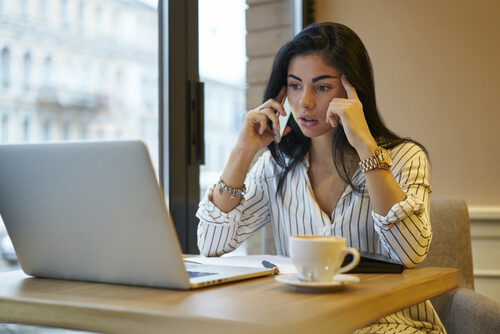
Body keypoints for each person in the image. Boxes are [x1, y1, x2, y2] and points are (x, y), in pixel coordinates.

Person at [196, 22, 444, 334]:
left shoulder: (405, 158)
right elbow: (211, 244)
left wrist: (367, 147)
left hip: (392, 324)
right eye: (295, 86)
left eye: (322, 87)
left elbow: (411, 253)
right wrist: (242, 153)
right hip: (310, 325)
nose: (305, 102)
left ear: (353, 91)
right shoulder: (276, 167)